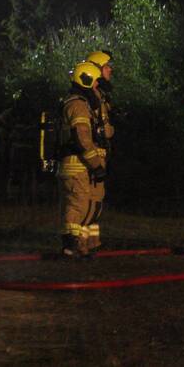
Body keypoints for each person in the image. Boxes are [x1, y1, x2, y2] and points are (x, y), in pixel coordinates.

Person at [58, 62, 109, 258]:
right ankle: (69, 246)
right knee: (77, 205)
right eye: (95, 81)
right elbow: (82, 138)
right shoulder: (77, 105)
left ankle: (80, 246)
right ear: (87, 80)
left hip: (81, 164)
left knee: (86, 205)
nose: (98, 84)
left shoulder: (81, 103)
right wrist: (96, 165)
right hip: (76, 164)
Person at [83, 50, 116, 253]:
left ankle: (91, 242)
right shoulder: (89, 97)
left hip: (100, 154)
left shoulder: (100, 95)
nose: (110, 70)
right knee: (87, 201)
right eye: (106, 67)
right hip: (92, 156)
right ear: (96, 69)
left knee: (96, 199)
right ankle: (79, 244)